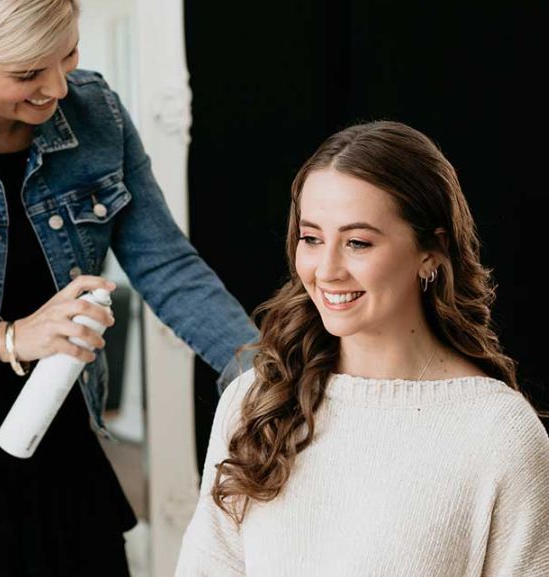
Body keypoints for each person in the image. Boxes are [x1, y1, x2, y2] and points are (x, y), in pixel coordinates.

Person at [0, 1, 258, 575]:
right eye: (27, 73)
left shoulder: (98, 113)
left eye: (67, 56)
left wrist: (260, 372)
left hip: (58, 448)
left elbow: (168, 267)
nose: (58, 88)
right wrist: (10, 338)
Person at [175, 120, 549, 576]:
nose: (327, 269)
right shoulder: (254, 401)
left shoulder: (498, 434)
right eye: (311, 238)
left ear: (431, 251)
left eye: (357, 243)